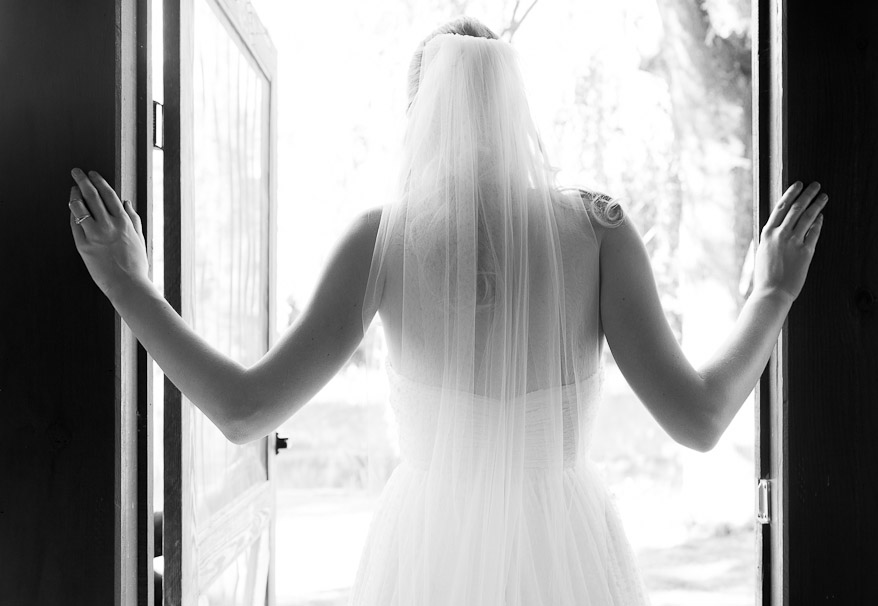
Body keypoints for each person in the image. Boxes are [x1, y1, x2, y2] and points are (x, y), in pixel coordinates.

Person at [67, 16, 826, 605]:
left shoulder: (383, 241)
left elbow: (242, 410)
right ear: (513, 109)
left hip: (426, 545)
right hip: (566, 549)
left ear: (417, 114)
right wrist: (772, 294)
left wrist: (128, 285)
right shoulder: (599, 230)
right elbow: (699, 419)